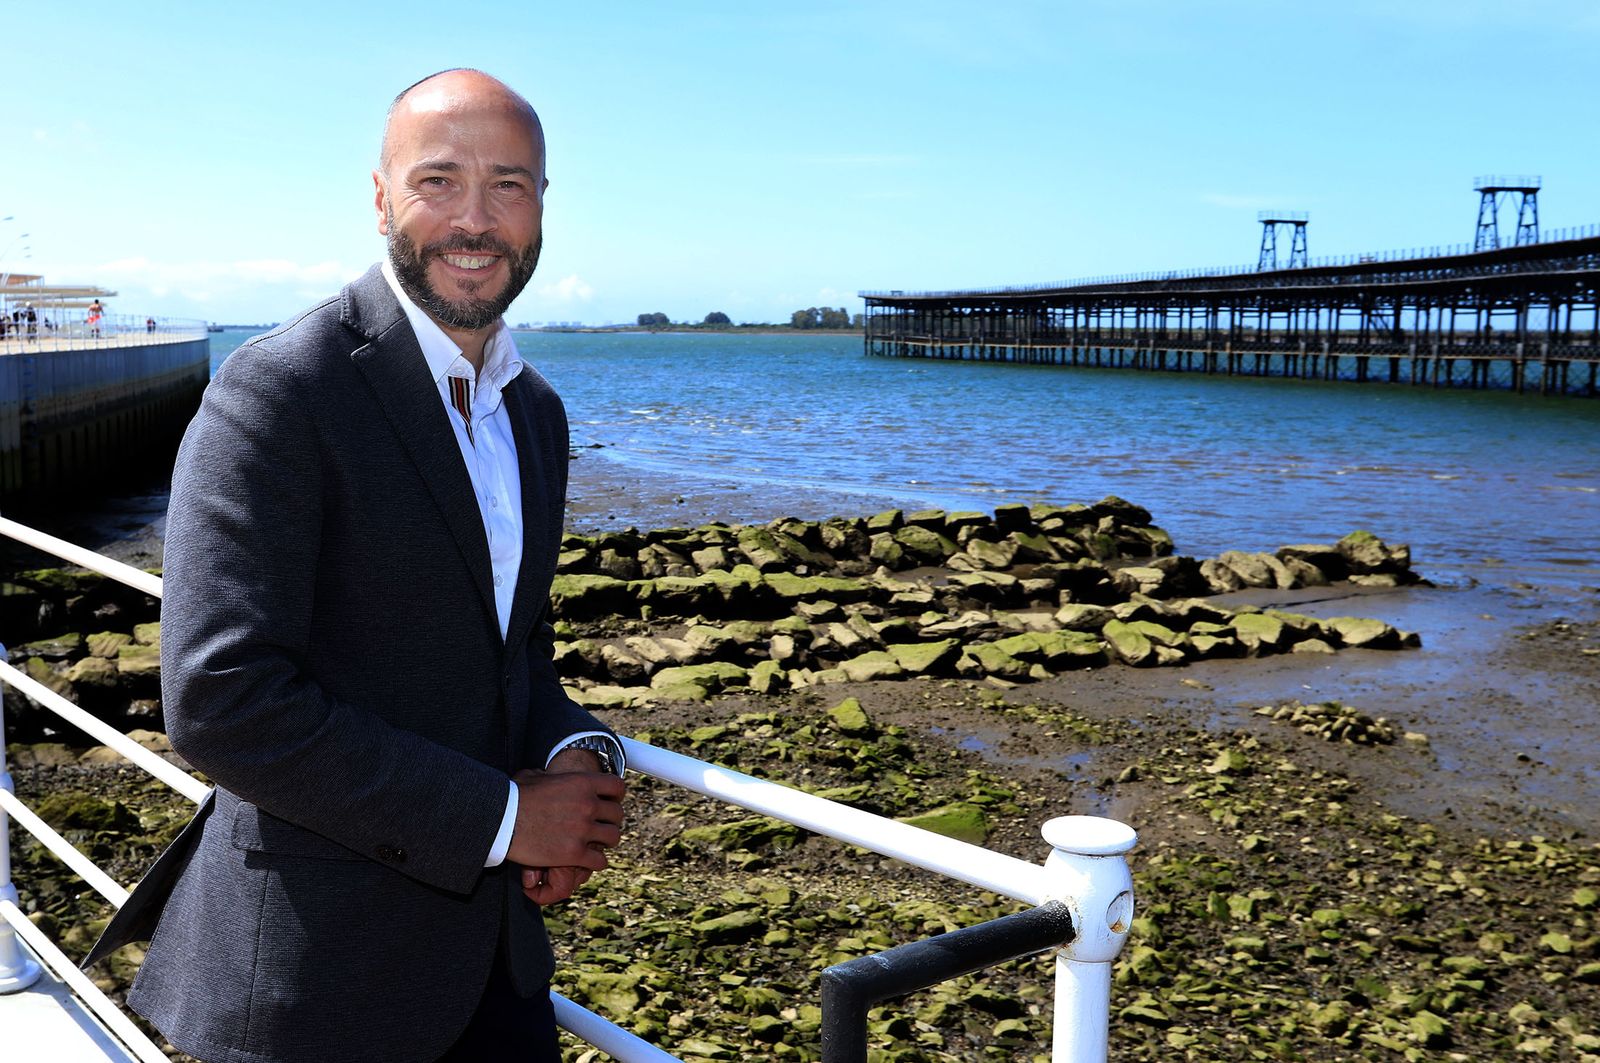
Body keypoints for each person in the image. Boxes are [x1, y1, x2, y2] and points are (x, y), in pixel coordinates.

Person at [85, 69, 628, 1063]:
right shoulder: (281, 390)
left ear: (543, 205)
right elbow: (221, 699)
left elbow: (512, 657)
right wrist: (507, 818)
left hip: (496, 980)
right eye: (438, 180)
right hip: (313, 991)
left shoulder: (534, 413)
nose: (475, 218)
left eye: (508, 184)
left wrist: (576, 753)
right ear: (380, 197)